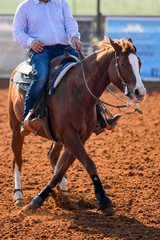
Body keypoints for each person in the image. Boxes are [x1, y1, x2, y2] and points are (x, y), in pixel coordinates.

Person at [12, 0, 120, 136]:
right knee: (41, 77)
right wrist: (31, 42)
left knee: (87, 74)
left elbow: (69, 22)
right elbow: (17, 32)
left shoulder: (61, 2)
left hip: (65, 47)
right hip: (41, 50)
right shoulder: (25, 7)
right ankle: (28, 118)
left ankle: (100, 116)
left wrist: (74, 36)